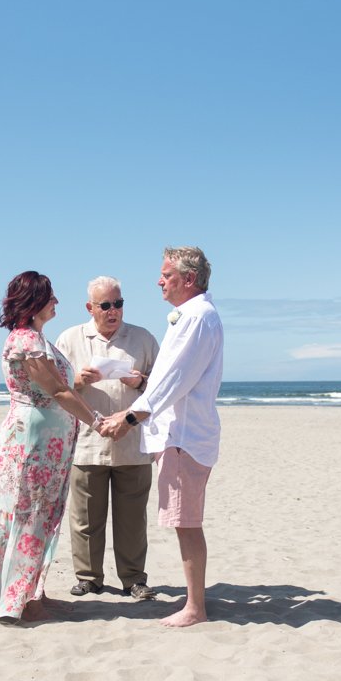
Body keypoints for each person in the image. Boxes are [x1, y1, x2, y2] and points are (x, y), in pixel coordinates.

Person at [0, 271, 102, 622]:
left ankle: (30, 592)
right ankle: (16, 599)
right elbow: (56, 391)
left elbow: (61, 389)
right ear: (35, 301)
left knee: (41, 515)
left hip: (47, 442)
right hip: (32, 444)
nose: (56, 302)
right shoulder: (27, 341)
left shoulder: (36, 338)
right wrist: (98, 422)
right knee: (25, 514)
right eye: (51, 296)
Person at [97, 247, 224, 627]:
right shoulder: (191, 316)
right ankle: (194, 604)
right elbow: (167, 379)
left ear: (188, 279)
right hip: (176, 434)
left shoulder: (199, 317)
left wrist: (131, 416)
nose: (159, 280)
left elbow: (175, 381)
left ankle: (195, 608)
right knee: (184, 522)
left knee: (186, 523)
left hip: (184, 436)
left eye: (166, 274)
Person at [54, 276, 160, 600]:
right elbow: (53, 387)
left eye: (119, 303)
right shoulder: (70, 338)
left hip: (132, 442)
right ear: (90, 307)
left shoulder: (142, 339)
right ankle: (89, 578)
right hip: (87, 443)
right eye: (106, 305)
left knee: (132, 520)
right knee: (85, 518)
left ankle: (133, 579)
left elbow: (163, 386)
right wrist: (76, 379)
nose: (114, 311)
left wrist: (140, 380)